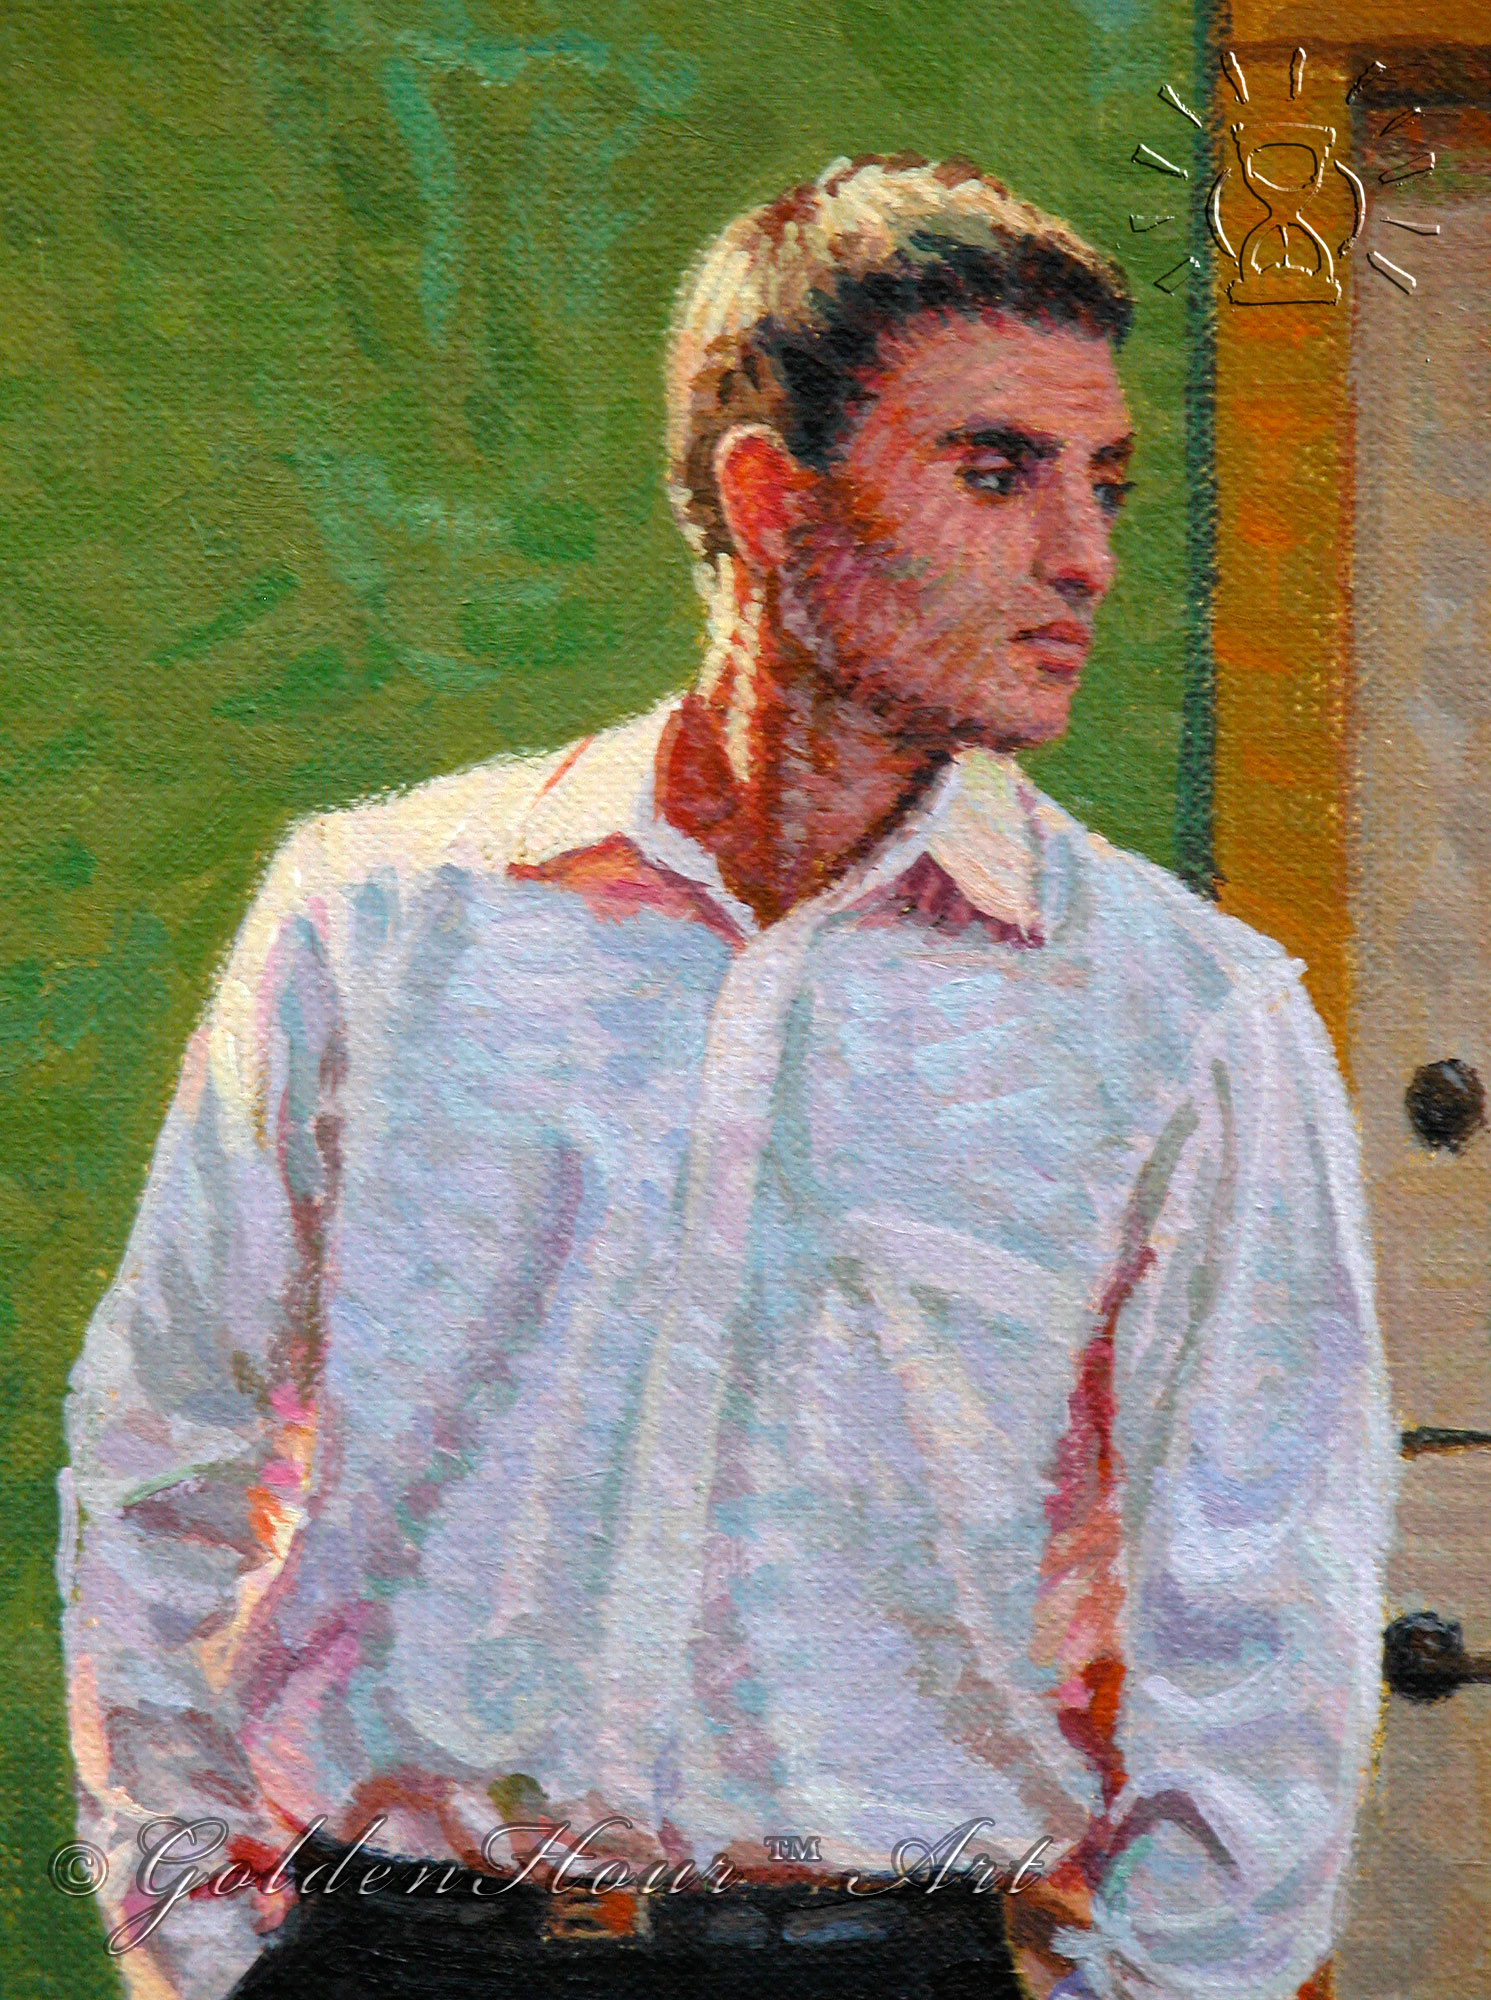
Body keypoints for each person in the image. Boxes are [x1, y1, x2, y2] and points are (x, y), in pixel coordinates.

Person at [59, 155, 1395, 2000]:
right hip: (387, 1954)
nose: (1083, 556)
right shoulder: (379, 919)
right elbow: (164, 1454)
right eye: (995, 472)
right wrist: (203, 1955)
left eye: (1104, 483)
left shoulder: (1188, 1019)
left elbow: (1263, 1630)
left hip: (881, 1965)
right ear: (772, 499)